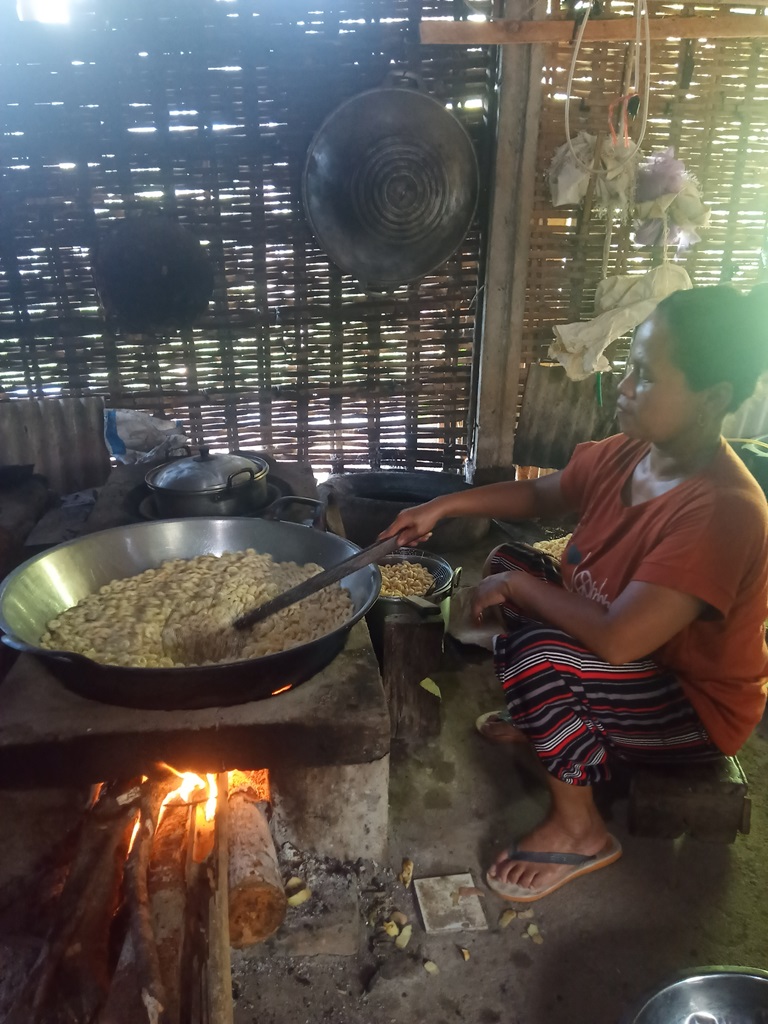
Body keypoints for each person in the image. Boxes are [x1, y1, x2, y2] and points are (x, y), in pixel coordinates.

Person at [380, 284, 768, 903]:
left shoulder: (722, 510)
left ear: (713, 397)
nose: (623, 388)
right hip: (628, 653)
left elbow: (620, 637)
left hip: (688, 704)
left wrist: (517, 588)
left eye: (644, 376)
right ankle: (562, 726)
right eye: (628, 368)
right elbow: (540, 496)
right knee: (509, 560)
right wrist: (441, 506)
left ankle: (581, 829)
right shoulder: (633, 453)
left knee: (533, 647)